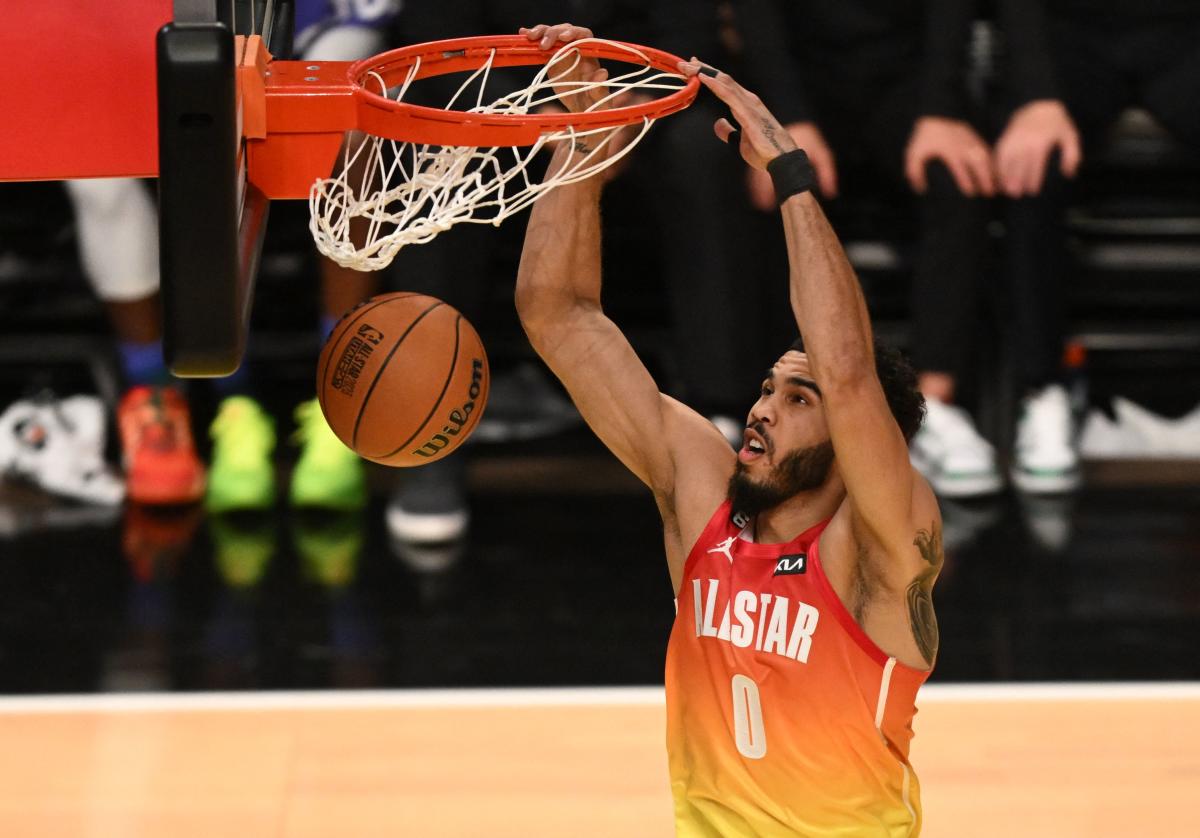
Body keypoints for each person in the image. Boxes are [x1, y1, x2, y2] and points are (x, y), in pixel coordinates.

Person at [515, 23, 939, 835]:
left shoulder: (877, 553)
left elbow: (850, 378)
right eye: (767, 389)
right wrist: (583, 139)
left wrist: (790, 178)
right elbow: (557, 313)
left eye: (796, 398)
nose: (761, 409)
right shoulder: (703, 503)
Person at [734, 0, 1003, 499]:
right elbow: (758, 19)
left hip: (909, 83)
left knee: (960, 180)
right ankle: (785, 412)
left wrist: (941, 110)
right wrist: (785, 120)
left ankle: (936, 409)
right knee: (770, 183)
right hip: (799, 86)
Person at [987, 0, 1200, 492]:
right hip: (1069, 32)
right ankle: (1042, 392)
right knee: (1030, 160)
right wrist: (1036, 94)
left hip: (1186, 33)